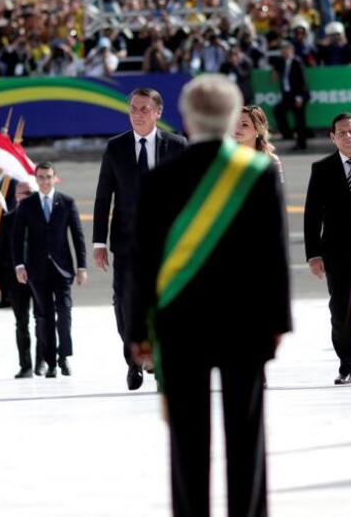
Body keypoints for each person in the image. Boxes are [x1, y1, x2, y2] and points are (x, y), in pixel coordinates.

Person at [128, 73, 290, 517]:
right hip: (246, 323)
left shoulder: (160, 177)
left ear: (185, 118)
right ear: (228, 116)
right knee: (247, 436)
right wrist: (278, 323)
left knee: (187, 440)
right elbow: (272, 257)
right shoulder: (256, 173)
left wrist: (138, 330)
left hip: (180, 323)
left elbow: (144, 264)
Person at [93, 88, 188, 390]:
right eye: (134, 108)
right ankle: (134, 360)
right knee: (124, 304)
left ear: (158, 112)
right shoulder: (115, 147)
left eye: (145, 108)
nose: (138, 113)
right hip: (125, 243)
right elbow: (102, 195)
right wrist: (98, 242)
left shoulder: (177, 145)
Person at [303, 112, 351, 384]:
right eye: (341, 133)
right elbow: (312, 215)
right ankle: (348, 364)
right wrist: (313, 254)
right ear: (332, 137)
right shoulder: (322, 169)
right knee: (341, 309)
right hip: (337, 251)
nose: (347, 136)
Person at [12, 163, 87, 378]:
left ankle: (64, 356)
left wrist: (81, 266)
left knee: (64, 312)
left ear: (55, 178)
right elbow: (16, 238)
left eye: (48, 177)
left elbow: (77, 236)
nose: (44, 181)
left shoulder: (66, 202)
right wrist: (19, 266)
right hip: (37, 270)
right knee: (44, 316)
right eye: (41, 177)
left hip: (62, 269)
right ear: (36, 179)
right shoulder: (27, 205)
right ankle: (51, 361)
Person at [0, 180, 43, 378]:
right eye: (23, 194)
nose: (27, 197)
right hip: (15, 280)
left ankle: (42, 363)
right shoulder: (8, 218)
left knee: (41, 320)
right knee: (21, 322)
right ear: (16, 196)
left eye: (30, 193)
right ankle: (26, 366)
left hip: (39, 278)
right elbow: (0, 249)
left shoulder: (42, 216)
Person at [272, 40, 311, 151]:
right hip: (288, 95)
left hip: (299, 95)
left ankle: (301, 143)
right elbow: (275, 65)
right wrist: (274, 70)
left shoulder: (297, 62)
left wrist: (299, 97)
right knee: (278, 110)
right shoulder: (282, 62)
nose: (284, 52)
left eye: (286, 50)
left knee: (299, 120)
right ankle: (287, 134)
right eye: (283, 50)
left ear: (291, 50)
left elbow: (302, 81)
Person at [234, 105, 283, 182]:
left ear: (257, 130)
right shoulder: (226, 158)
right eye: (235, 123)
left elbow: (276, 191)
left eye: (245, 125)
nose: (237, 128)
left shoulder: (271, 160)